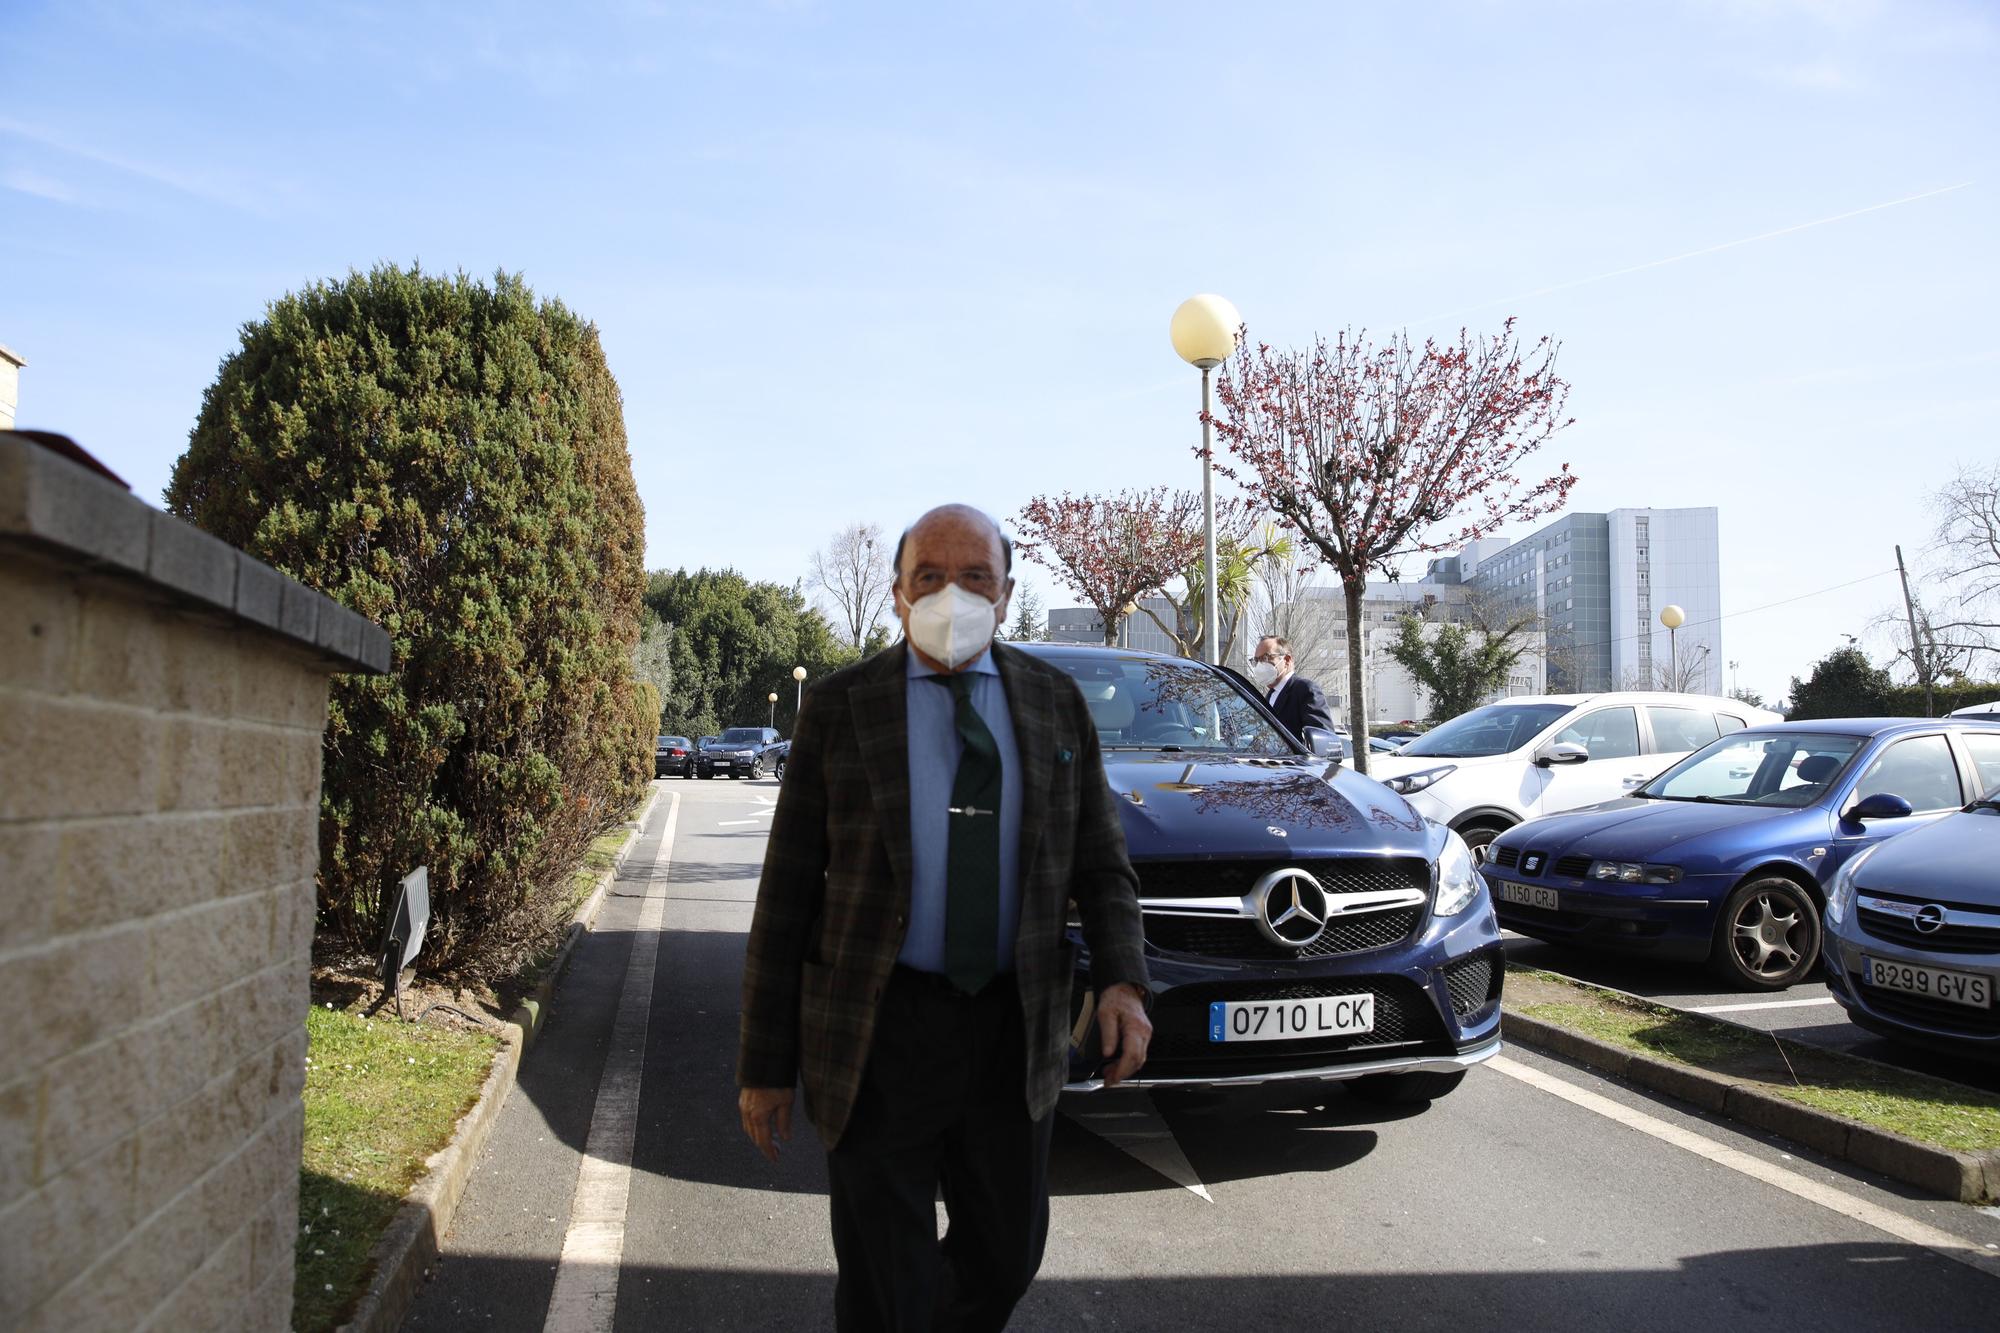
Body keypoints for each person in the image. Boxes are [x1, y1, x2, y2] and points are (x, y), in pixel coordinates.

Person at [737, 503, 1152, 1332]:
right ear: (897, 592)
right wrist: (765, 1062)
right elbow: (787, 891)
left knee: (1006, 1253)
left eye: (975, 577)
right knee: (885, 1270)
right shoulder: (841, 707)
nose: (952, 594)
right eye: (930, 576)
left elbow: (1101, 862)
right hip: (877, 1026)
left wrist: (1123, 981)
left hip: (1014, 1024)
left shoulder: (1054, 705)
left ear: (1005, 595)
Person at [1250, 634, 1335, 740]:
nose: (1260, 665)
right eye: (1257, 660)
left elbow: (1324, 739)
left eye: (1266, 658)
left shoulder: (1305, 690)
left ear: (1286, 660)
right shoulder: (1270, 696)